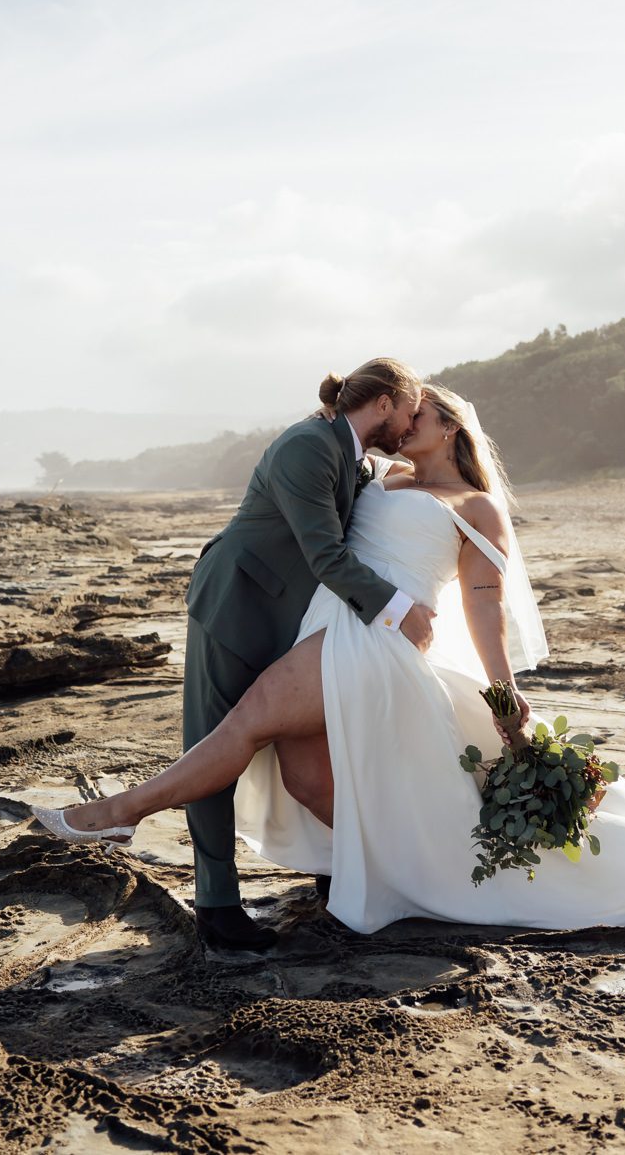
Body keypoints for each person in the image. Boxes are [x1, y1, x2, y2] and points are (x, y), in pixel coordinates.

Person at [35, 384, 625, 939]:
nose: (409, 419)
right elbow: (325, 466)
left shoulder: (474, 506)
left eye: (425, 412)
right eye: (407, 409)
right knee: (311, 781)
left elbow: (482, 609)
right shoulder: (380, 473)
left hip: (371, 645)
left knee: (244, 726)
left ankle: (116, 813)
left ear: (453, 427)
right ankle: (419, 870)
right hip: (330, 627)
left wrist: (505, 696)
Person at [142, 358, 438, 952]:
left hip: (295, 624)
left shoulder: (352, 453)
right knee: (212, 748)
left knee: (318, 754)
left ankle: (334, 869)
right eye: (409, 410)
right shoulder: (307, 446)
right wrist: (399, 608)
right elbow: (326, 552)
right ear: (384, 402)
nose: (409, 424)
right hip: (236, 604)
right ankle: (218, 907)